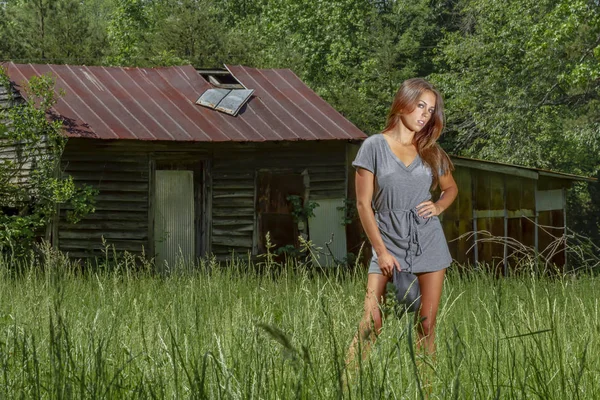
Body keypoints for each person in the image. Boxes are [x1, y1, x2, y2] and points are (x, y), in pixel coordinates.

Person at [346, 78, 458, 368]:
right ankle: (344, 385)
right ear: (403, 102)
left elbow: (451, 189)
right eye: (420, 105)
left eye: (430, 110)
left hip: (429, 242)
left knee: (426, 327)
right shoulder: (373, 146)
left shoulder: (432, 151)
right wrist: (381, 251)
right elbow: (363, 204)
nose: (425, 114)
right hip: (387, 242)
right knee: (372, 323)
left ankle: (427, 391)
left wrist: (438, 206)